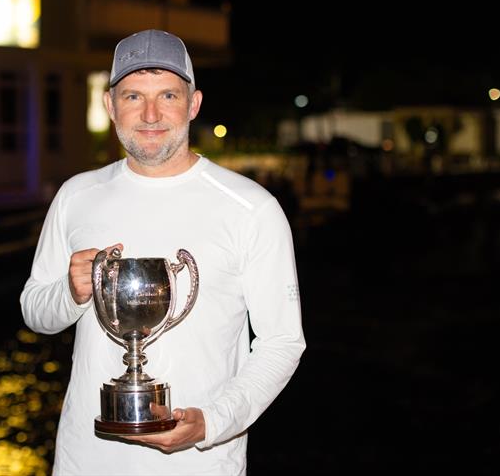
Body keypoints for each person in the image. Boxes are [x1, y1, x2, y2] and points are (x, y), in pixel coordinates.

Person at [20, 29, 305, 475]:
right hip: (87, 460)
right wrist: (70, 292)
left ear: (193, 104)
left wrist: (212, 422)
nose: (150, 114)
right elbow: (35, 312)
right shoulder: (77, 195)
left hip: (200, 464)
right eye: (133, 96)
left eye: (168, 94)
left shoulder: (251, 208)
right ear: (110, 106)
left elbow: (282, 342)